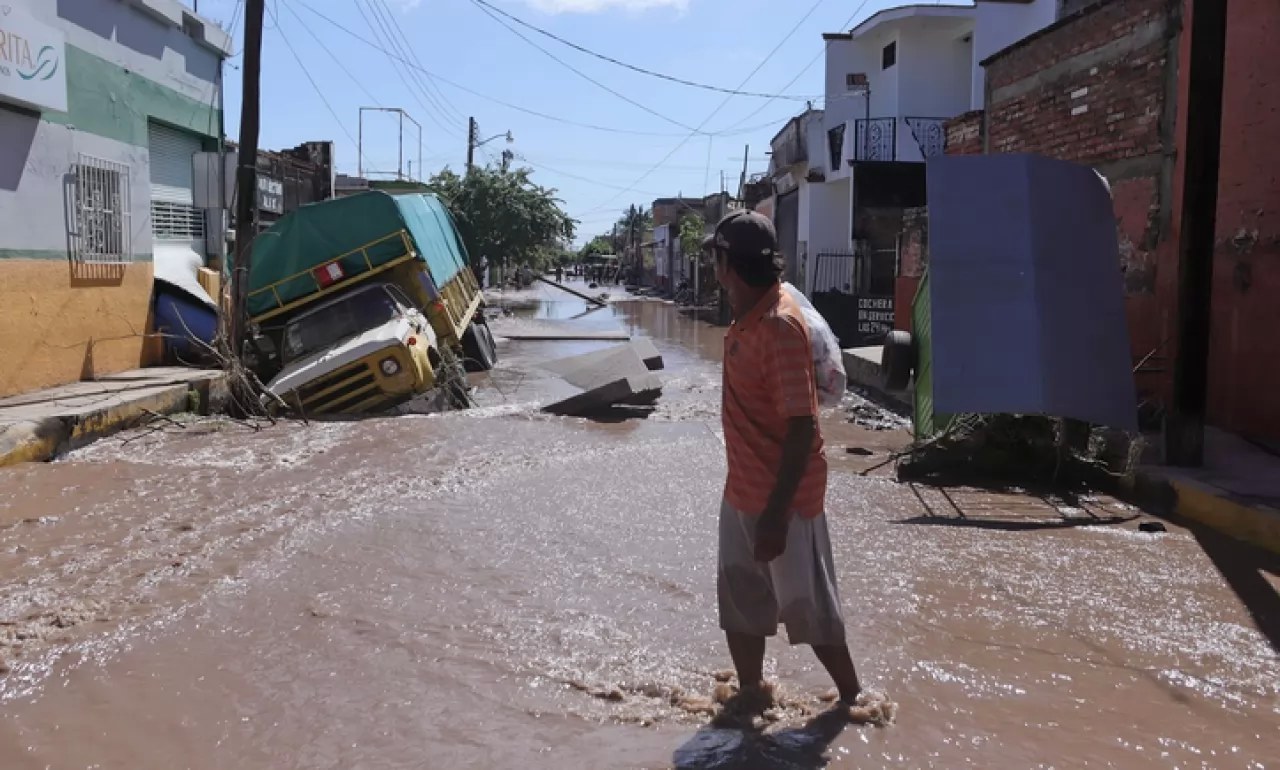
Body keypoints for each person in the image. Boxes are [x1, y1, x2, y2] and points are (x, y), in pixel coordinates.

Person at [708, 210, 862, 714]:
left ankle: (854, 703)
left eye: (715, 255)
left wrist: (776, 515)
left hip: (783, 502)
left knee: (811, 611)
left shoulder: (777, 325)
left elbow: (803, 428)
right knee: (741, 605)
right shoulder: (746, 312)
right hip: (743, 491)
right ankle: (750, 698)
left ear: (727, 262)